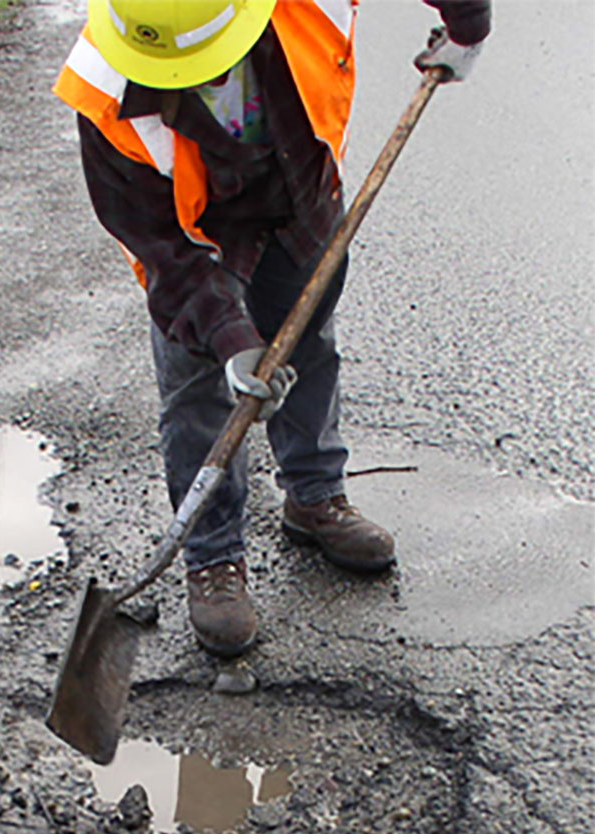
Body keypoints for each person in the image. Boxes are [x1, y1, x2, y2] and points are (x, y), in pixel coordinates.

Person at [54, 0, 491, 657]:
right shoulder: (103, 91)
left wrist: (468, 21)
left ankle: (314, 495)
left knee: (308, 339)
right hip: (200, 240)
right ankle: (212, 555)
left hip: (299, 189)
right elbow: (164, 254)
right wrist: (231, 341)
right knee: (199, 390)